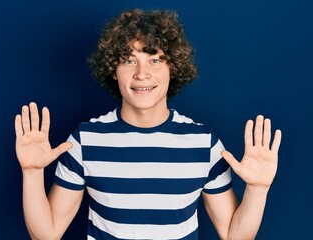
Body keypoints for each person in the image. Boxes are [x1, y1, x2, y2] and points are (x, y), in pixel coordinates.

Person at [15, 9, 282, 240]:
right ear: (113, 70)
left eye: (155, 60)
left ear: (173, 68)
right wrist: (31, 172)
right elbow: (47, 234)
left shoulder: (204, 143)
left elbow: (234, 235)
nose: (142, 74)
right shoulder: (85, 140)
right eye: (129, 61)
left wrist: (258, 190)